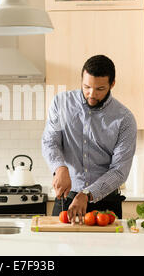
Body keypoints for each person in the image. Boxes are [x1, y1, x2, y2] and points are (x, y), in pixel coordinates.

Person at [42, 54, 137, 224]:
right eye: (86, 87)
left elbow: (119, 171)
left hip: (106, 205)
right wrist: (60, 167)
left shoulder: (124, 119)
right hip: (66, 200)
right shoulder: (60, 103)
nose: (91, 94)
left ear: (112, 84)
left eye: (100, 89)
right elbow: (50, 141)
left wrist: (87, 194)